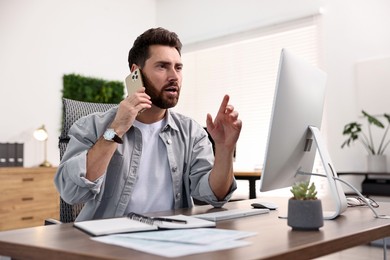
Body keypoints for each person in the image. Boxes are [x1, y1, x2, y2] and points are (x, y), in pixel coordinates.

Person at [55, 27, 242, 221]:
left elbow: (215, 196)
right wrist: (116, 129)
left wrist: (224, 149)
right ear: (136, 72)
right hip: (108, 242)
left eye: (178, 67)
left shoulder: (191, 132)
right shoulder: (92, 126)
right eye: (162, 66)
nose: (174, 76)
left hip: (172, 240)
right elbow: (72, 192)